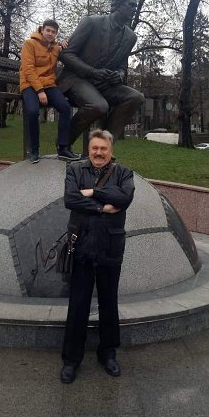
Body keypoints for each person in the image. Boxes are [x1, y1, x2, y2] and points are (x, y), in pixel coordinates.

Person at [60, 128, 135, 384]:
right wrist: (103, 208)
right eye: (95, 148)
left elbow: (124, 197)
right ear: (88, 150)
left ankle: (108, 354)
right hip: (81, 246)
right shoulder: (74, 170)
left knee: (108, 302)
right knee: (78, 304)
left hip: (110, 247)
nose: (99, 153)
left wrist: (92, 192)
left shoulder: (124, 173)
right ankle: (71, 360)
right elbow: (70, 199)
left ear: (111, 151)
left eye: (103, 148)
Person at [58, 0, 145, 145]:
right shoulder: (92, 22)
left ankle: (103, 146)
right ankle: (64, 142)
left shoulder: (130, 37)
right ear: (118, 4)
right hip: (76, 79)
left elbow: (122, 66)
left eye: (135, 5)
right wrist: (92, 72)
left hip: (103, 84)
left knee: (135, 97)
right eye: (131, 5)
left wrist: (119, 75)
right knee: (99, 106)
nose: (135, 8)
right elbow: (66, 54)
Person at [20, 19, 79, 163]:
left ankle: (63, 148)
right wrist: (40, 91)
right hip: (30, 84)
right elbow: (28, 70)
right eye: (48, 30)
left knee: (65, 108)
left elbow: (65, 50)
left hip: (49, 85)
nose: (50, 33)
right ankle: (34, 150)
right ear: (42, 30)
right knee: (33, 111)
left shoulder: (55, 48)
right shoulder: (29, 44)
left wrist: (64, 44)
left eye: (54, 32)